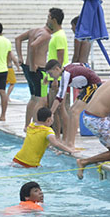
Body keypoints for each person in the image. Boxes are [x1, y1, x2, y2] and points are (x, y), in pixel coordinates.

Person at [45, 60, 102, 148]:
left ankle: (71, 144)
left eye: (51, 74)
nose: (50, 76)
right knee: (72, 110)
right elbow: (84, 64)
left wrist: (50, 113)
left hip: (93, 86)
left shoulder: (65, 75)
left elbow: (60, 96)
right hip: (87, 86)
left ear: (57, 69)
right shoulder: (67, 66)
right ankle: (68, 141)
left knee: (75, 111)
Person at [15, 23, 52, 132]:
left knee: (33, 98)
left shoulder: (33, 31)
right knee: (41, 100)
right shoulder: (46, 35)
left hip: (28, 68)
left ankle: (27, 126)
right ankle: (36, 126)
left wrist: (20, 57)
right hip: (38, 69)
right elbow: (33, 46)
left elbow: (18, 39)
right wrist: (32, 64)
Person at [46, 8, 69, 139]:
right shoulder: (56, 35)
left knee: (61, 108)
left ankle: (64, 137)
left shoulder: (59, 36)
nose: (47, 19)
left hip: (59, 76)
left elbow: (60, 58)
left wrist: (56, 79)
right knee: (58, 108)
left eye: (48, 17)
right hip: (54, 75)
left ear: (53, 19)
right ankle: (58, 136)